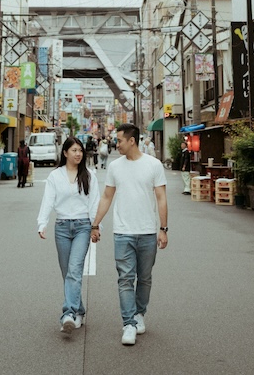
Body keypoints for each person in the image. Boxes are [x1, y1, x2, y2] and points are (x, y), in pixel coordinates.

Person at [91, 123, 168, 346]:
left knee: (144, 277)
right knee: (125, 278)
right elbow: (107, 197)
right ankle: (129, 323)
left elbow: (161, 198)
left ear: (132, 141)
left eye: (120, 140)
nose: (117, 144)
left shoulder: (153, 165)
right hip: (123, 232)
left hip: (147, 231)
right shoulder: (115, 167)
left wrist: (163, 229)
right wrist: (95, 224)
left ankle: (139, 313)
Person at [37, 137, 100, 334]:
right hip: (62, 227)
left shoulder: (89, 175)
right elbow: (48, 200)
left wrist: (96, 226)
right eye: (74, 150)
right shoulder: (55, 176)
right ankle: (79, 310)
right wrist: (42, 223)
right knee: (67, 273)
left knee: (74, 270)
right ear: (65, 153)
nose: (78, 154)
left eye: (80, 150)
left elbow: (94, 202)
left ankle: (68, 313)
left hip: (83, 226)